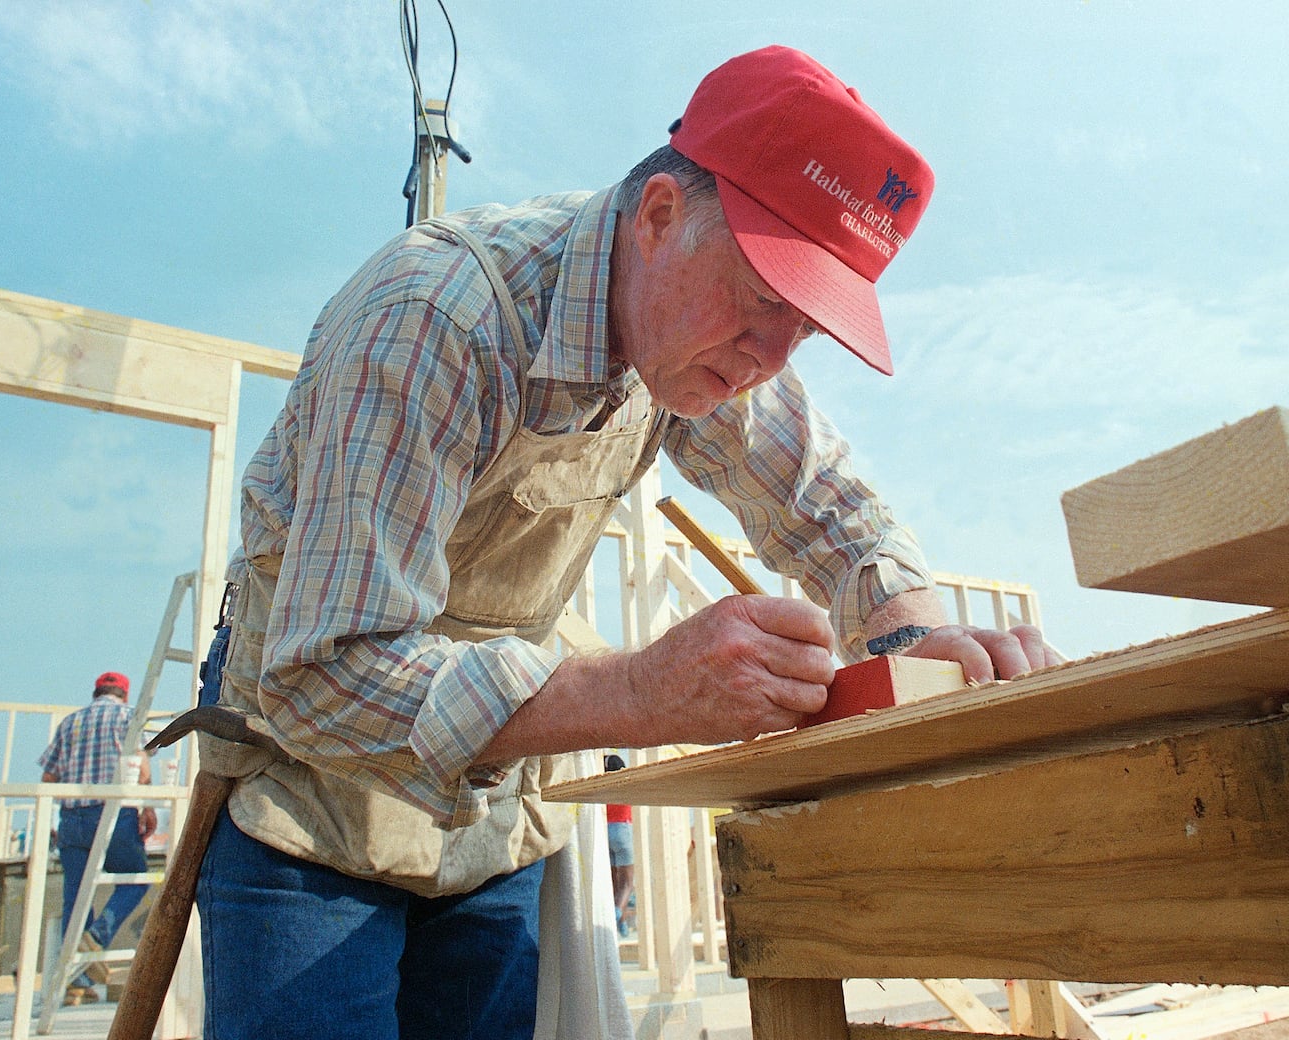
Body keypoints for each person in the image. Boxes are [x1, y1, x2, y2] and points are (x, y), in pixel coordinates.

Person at [195, 45, 1061, 1040]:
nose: (771, 359)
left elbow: (827, 502)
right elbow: (322, 675)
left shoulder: (694, 331)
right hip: (306, 799)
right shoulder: (434, 316)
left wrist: (908, 643)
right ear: (658, 217)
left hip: (485, 814)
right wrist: (637, 692)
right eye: (768, 299)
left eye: (807, 330)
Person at [38, 671, 157, 1005]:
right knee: (134, 880)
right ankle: (97, 938)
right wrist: (146, 808)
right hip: (111, 812)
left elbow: (49, 775)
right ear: (124, 693)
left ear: (96, 692)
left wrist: (52, 821)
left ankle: (75, 985)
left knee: (76, 897)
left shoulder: (70, 723)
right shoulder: (127, 717)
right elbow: (142, 770)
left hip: (72, 817)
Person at [604, 755, 635, 937]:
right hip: (622, 830)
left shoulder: (603, 786)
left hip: (606, 832)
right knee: (626, 883)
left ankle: (621, 923)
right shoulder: (625, 785)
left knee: (614, 883)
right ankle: (615, 914)